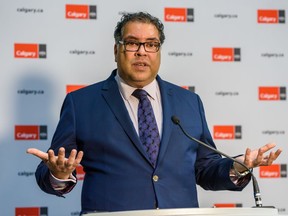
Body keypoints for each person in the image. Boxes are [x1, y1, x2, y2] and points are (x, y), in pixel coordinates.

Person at [27, 12, 282, 214]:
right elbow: (51, 170)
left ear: (159, 51)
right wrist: (58, 173)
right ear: (116, 50)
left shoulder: (188, 101)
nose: (142, 52)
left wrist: (237, 167)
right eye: (132, 43)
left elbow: (204, 170)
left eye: (151, 44)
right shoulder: (80, 103)